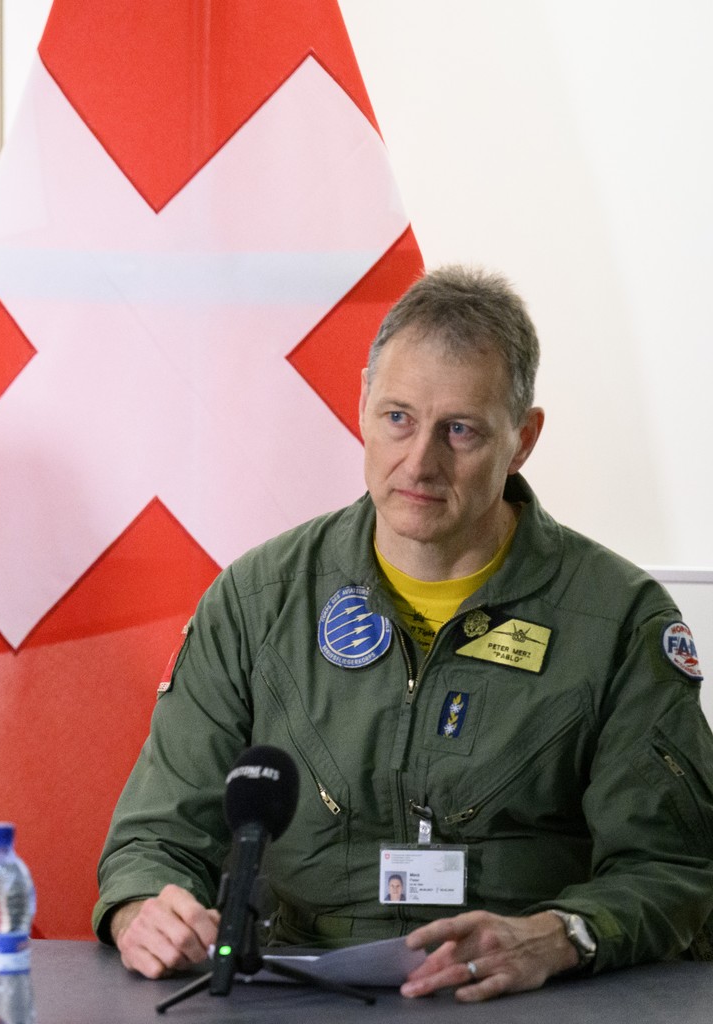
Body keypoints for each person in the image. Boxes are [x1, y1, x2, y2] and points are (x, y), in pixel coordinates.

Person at [93, 267, 713, 1002]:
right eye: (397, 418)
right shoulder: (259, 602)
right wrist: (141, 909)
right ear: (361, 404)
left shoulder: (614, 621)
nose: (420, 462)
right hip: (300, 999)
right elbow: (155, 838)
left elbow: (676, 867)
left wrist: (563, 934)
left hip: (524, 999)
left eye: (461, 430)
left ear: (524, 439)